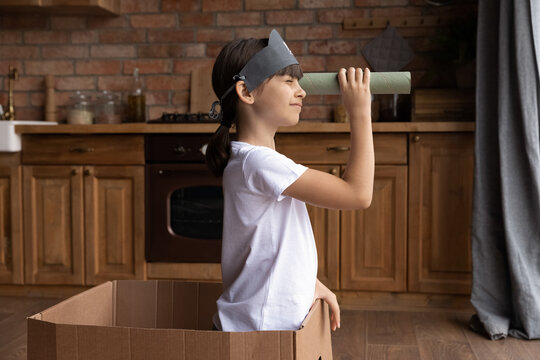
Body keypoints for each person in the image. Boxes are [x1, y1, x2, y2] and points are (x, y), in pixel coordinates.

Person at [206, 29, 374, 332]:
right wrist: (360, 113)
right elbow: (358, 195)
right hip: (262, 331)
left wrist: (309, 283)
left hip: (261, 324)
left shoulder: (249, 160)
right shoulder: (260, 163)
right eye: (288, 81)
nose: (301, 91)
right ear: (247, 92)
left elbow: (271, 246)